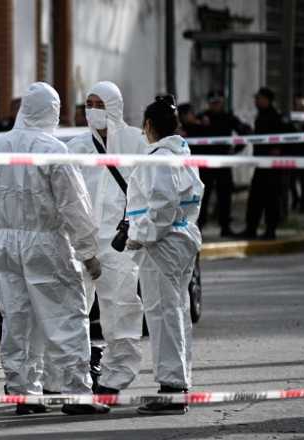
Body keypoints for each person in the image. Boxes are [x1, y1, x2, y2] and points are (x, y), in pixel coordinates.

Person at [0, 82, 108, 416]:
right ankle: (76, 394)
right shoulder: (54, 150)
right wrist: (88, 251)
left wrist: (0, 238)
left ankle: (24, 393)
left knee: (18, 320)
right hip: (46, 243)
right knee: (65, 318)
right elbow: (73, 205)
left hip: (6, 244)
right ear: (52, 111)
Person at [64, 81, 145, 396]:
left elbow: (148, 187)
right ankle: (75, 376)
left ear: (115, 106)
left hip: (119, 243)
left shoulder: (136, 142)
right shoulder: (76, 147)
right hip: (80, 242)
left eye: (100, 104)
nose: (93, 111)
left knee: (120, 309)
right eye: (89, 104)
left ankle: (115, 378)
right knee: (73, 311)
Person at [125, 95, 203, 415]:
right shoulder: (182, 153)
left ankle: (171, 389)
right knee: (176, 312)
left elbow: (162, 207)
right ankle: (179, 383)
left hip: (161, 245)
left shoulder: (159, 158)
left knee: (162, 316)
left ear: (148, 125)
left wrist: (137, 235)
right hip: (181, 240)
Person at [196, 91, 250, 237]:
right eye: (213, 103)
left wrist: (236, 149)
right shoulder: (202, 117)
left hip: (223, 163)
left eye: (218, 103)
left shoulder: (228, 117)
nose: (215, 105)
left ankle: (225, 227)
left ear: (222, 103)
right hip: (205, 164)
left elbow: (245, 132)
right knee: (203, 196)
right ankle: (199, 226)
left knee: (225, 196)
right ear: (209, 103)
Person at [240, 87, 291, 240]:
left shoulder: (276, 117)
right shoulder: (261, 116)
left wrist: (278, 149)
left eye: (259, 98)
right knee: (255, 198)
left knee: (271, 199)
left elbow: (286, 136)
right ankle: (251, 228)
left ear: (267, 100)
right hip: (261, 163)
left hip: (272, 166)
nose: (256, 101)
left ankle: (270, 230)